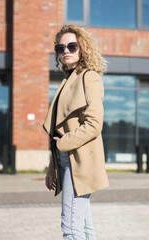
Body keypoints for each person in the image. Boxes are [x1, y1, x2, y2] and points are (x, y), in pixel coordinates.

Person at [43, 25, 109, 240]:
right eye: (60, 48)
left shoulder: (88, 77)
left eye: (72, 46)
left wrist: (63, 145)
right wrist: (52, 167)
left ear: (83, 49)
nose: (66, 51)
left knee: (71, 228)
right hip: (65, 159)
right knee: (83, 226)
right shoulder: (67, 80)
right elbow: (57, 129)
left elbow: (94, 124)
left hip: (78, 160)